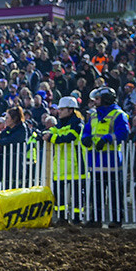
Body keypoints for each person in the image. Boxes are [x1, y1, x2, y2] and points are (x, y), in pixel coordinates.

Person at [81, 86, 128, 227]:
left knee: (115, 194)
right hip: (95, 161)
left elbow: (123, 133)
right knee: (95, 193)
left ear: (106, 99)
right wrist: (86, 138)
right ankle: (95, 219)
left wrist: (107, 138)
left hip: (112, 161)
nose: (95, 101)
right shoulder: (94, 115)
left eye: (98, 98)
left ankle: (116, 220)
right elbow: (87, 130)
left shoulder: (119, 114)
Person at [41, 96, 85, 225]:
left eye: (62, 109)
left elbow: (70, 137)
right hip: (60, 166)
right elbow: (52, 131)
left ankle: (77, 219)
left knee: (77, 196)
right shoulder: (60, 123)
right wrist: (45, 134)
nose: (59, 111)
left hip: (76, 165)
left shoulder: (77, 123)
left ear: (70, 110)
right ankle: (62, 218)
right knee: (59, 195)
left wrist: (52, 138)